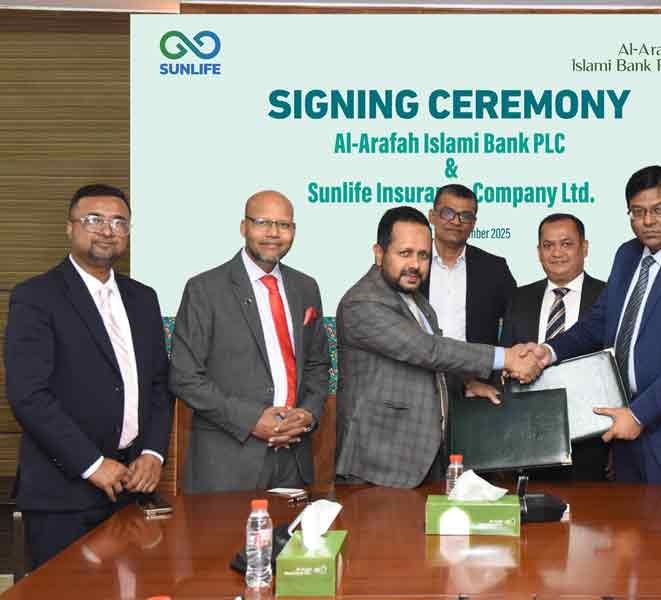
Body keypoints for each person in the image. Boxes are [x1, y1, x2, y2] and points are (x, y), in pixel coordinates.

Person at [526, 166, 661, 485]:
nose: (647, 220)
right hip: (623, 433)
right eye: (637, 212)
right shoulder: (627, 254)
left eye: (658, 209)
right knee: (627, 518)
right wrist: (549, 351)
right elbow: (598, 323)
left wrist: (639, 414)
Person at [4, 184, 173, 568]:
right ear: (70, 227)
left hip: (131, 489)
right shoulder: (36, 296)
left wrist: (153, 453)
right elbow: (29, 395)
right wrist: (93, 464)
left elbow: (159, 386)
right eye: (94, 219)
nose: (107, 230)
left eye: (119, 222)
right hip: (63, 495)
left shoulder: (143, 298)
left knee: (129, 589)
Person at [335, 207, 541, 488]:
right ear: (379, 253)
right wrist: (505, 357)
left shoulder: (416, 300)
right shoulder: (362, 302)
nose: (415, 264)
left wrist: (466, 383)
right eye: (405, 253)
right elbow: (427, 350)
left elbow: (430, 365)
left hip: (420, 456)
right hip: (378, 463)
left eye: (423, 255)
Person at [169, 190, 329, 493]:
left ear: (294, 231)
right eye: (262, 222)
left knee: (292, 528)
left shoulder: (306, 287)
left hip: (293, 460)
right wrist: (252, 420)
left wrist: (307, 415)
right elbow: (184, 377)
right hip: (227, 465)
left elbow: (318, 364)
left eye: (283, 225)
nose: (273, 233)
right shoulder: (205, 289)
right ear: (244, 227)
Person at [495, 213, 608, 480]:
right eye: (548, 245)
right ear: (538, 252)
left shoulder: (609, 296)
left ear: (585, 248)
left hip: (594, 441)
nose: (557, 253)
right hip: (527, 439)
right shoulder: (519, 298)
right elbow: (504, 363)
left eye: (566, 244)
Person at [423, 183, 516, 345]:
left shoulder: (494, 269)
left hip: (477, 361)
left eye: (465, 216)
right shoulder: (412, 263)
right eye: (448, 213)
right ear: (432, 216)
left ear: (473, 223)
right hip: (417, 361)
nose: (456, 222)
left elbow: (517, 321)